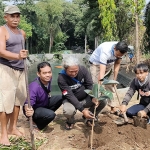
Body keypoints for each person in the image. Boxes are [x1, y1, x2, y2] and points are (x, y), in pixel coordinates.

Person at [0, 5, 28, 145]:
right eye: (12, 16)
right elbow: (1, 51)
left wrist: (23, 58)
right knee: (5, 103)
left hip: (21, 69)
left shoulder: (22, 33)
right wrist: (17, 56)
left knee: (18, 100)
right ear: (6, 17)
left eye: (17, 16)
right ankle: (3, 134)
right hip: (6, 69)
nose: (15, 19)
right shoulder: (2, 30)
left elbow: (22, 52)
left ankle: (13, 127)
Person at [57, 56, 107, 130]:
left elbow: (89, 84)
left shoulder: (83, 69)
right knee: (68, 111)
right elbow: (70, 96)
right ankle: (70, 121)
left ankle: (89, 117)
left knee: (102, 101)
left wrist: (93, 97)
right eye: (71, 71)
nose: (74, 73)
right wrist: (83, 110)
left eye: (76, 71)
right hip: (70, 101)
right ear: (65, 69)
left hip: (85, 98)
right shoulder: (61, 78)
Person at [89, 41, 128, 114]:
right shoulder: (105, 51)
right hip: (96, 64)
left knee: (110, 85)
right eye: (117, 55)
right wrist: (100, 82)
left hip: (109, 64)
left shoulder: (122, 49)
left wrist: (114, 79)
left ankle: (112, 107)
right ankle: (94, 109)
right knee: (97, 86)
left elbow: (117, 63)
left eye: (120, 56)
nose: (118, 57)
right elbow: (102, 71)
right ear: (114, 48)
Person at [24, 62, 63, 130]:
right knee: (51, 115)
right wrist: (28, 110)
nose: (48, 75)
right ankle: (37, 125)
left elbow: (47, 90)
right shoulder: (34, 86)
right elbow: (28, 102)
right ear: (38, 74)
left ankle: (44, 116)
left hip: (44, 102)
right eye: (44, 73)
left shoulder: (48, 79)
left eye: (49, 72)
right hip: (35, 108)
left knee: (61, 97)